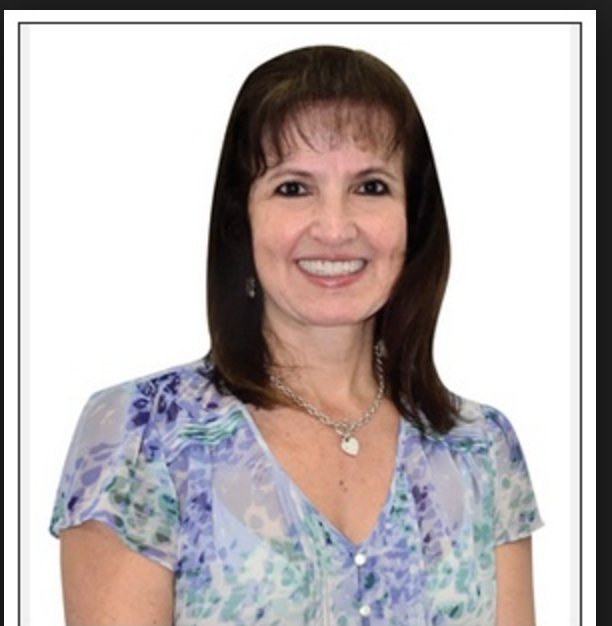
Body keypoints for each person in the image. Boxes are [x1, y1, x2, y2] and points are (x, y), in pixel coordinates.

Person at [50, 45, 543, 626]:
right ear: (243, 220)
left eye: (371, 187)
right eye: (293, 188)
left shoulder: (481, 448)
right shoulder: (143, 436)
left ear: (415, 219)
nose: (334, 228)